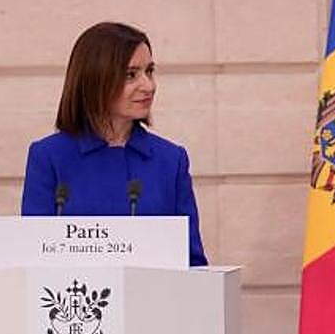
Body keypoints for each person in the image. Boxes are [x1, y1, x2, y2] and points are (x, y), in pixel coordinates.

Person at [21, 22, 208, 266]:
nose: (148, 86)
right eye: (131, 75)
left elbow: (192, 263)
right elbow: (31, 258)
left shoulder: (171, 160)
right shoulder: (49, 157)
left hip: (155, 301)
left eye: (149, 71)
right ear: (95, 79)